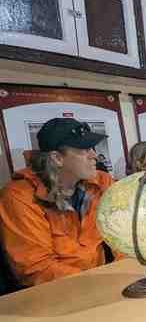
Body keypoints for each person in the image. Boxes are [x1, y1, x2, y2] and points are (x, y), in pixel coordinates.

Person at [0, 119, 119, 286]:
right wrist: (97, 283)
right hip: (55, 292)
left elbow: (122, 235)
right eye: (85, 150)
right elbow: (36, 267)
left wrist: (125, 272)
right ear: (57, 158)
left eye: (92, 148)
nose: (94, 156)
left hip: (102, 280)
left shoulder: (102, 182)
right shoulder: (19, 196)